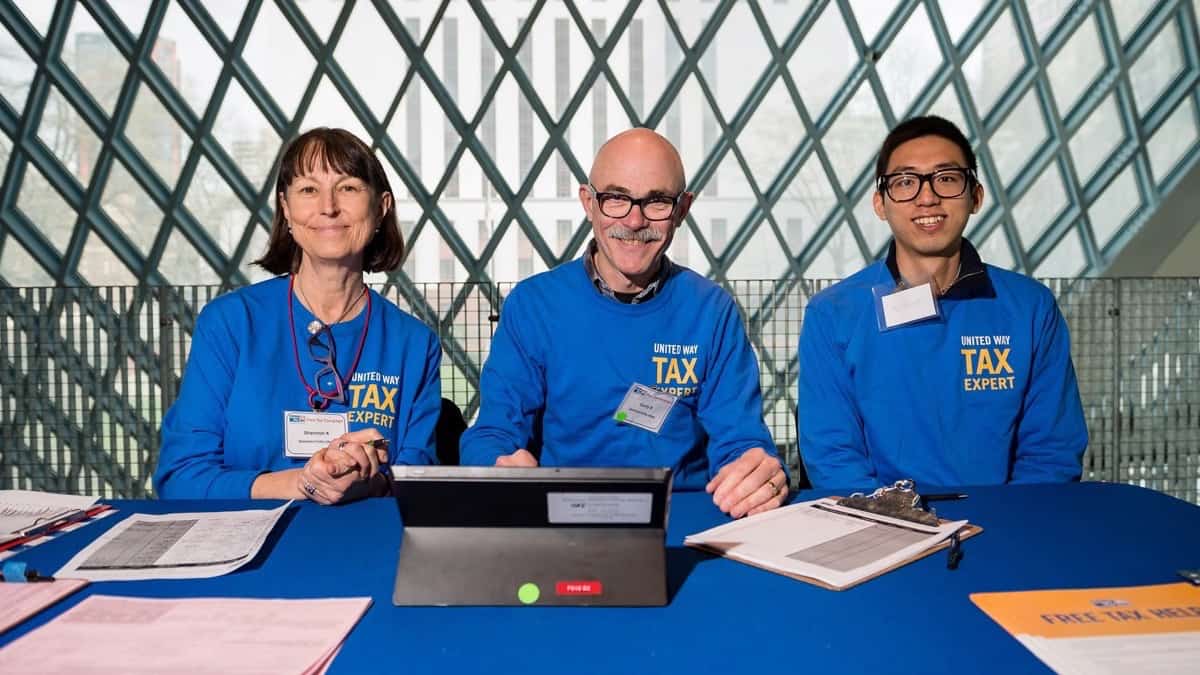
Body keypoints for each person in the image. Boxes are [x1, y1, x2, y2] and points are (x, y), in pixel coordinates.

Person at [460, 128, 787, 518]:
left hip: (681, 516)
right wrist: (497, 462)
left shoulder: (710, 311)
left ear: (682, 209)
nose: (634, 220)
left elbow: (741, 441)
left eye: (657, 202)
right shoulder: (533, 306)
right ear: (588, 202)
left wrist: (757, 474)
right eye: (616, 198)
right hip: (565, 516)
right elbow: (494, 430)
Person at [798, 115, 1087, 489]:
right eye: (905, 182)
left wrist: (1010, 526)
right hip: (881, 531)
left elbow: (1052, 453)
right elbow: (833, 456)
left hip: (1007, 526)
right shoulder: (833, 314)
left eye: (946, 178)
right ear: (880, 204)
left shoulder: (1030, 309)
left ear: (976, 196)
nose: (927, 196)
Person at [154, 128, 442, 503]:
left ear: (381, 207)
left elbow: (420, 483)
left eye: (349, 187)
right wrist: (303, 484)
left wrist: (368, 482)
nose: (328, 206)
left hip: (365, 546)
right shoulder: (230, 324)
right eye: (308, 190)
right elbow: (181, 477)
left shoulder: (414, 345)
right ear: (286, 208)